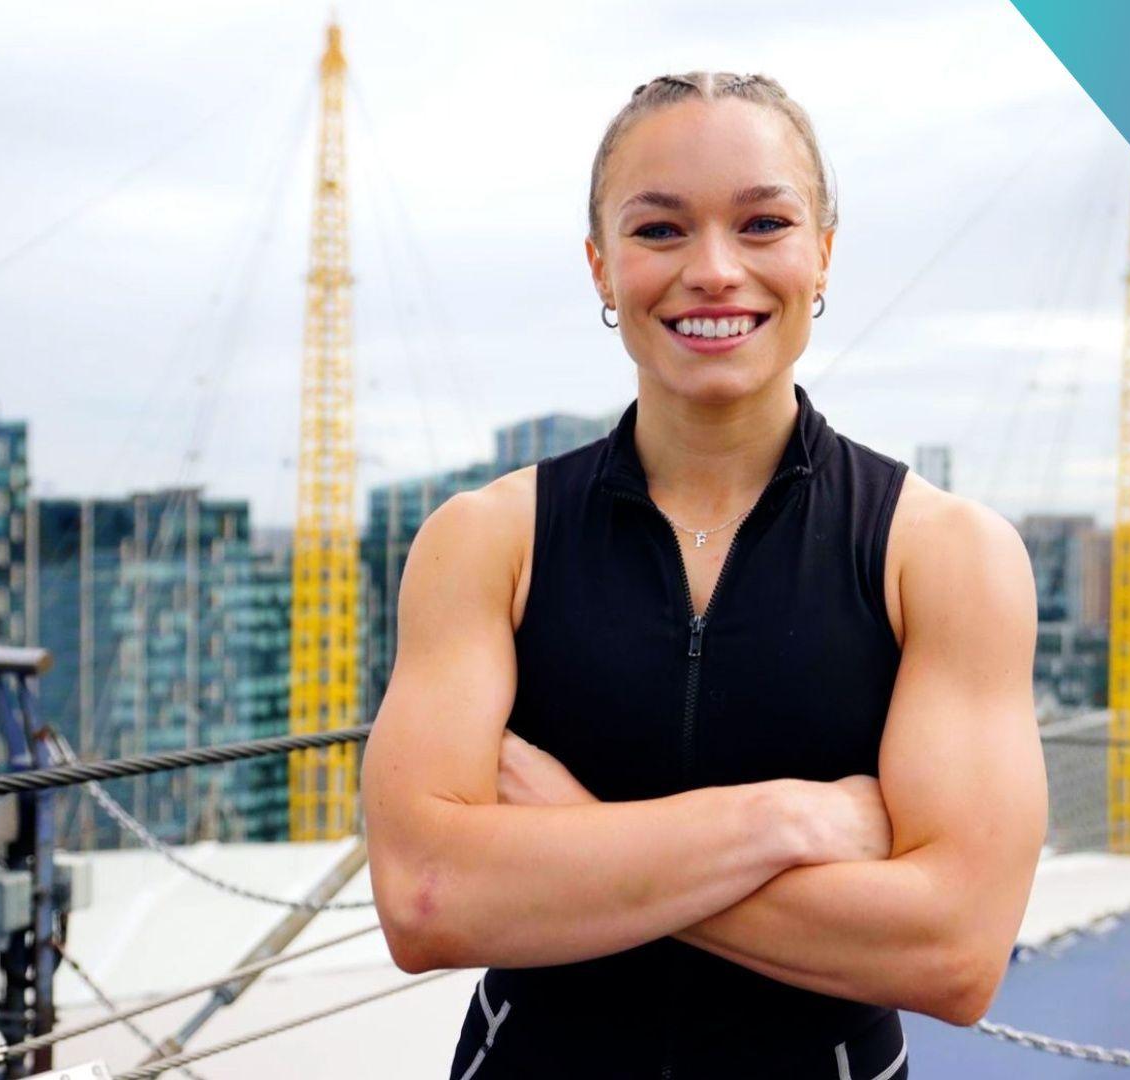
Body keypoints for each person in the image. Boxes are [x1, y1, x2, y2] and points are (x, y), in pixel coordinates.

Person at [361, 70, 1047, 1080]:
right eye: (660, 231)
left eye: (764, 223)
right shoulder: (483, 542)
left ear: (823, 253)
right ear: (601, 268)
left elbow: (951, 951)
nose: (715, 270)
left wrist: (571, 842)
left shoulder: (944, 554)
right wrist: (787, 821)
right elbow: (425, 900)